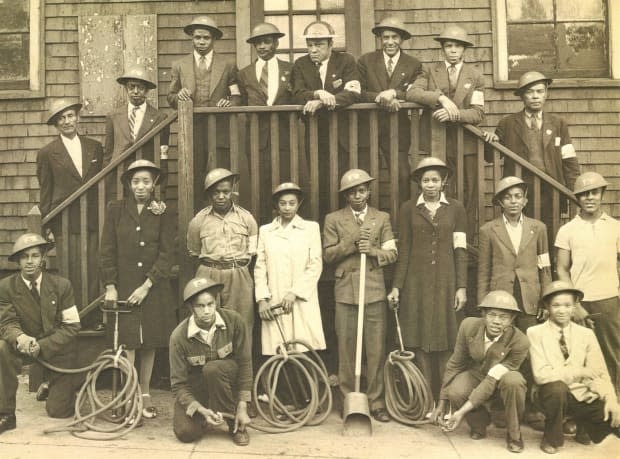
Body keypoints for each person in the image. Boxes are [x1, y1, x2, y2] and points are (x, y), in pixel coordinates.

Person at [99, 160, 176, 419]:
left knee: (150, 340)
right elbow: (107, 250)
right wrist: (110, 285)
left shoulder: (163, 212)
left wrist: (147, 285)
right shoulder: (116, 210)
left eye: (146, 181)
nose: (140, 187)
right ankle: (128, 392)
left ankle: (145, 392)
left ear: (154, 184)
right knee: (128, 341)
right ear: (128, 185)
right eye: (135, 182)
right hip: (124, 286)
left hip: (153, 287)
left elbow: (167, 253)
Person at [388, 157, 467, 398]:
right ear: (419, 183)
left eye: (435, 180)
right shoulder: (408, 209)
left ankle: (445, 398)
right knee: (419, 338)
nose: (430, 185)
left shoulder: (456, 208)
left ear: (443, 182)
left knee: (446, 340)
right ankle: (423, 400)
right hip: (416, 283)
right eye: (425, 180)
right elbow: (404, 252)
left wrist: (461, 287)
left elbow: (460, 249)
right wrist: (396, 287)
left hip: (446, 282)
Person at [323, 169, 397, 423]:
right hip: (345, 292)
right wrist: (352, 242)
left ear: (369, 192)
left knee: (375, 349)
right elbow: (329, 255)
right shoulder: (333, 219)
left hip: (374, 290)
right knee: (346, 347)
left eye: (362, 190)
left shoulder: (381, 218)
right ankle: (348, 399)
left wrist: (373, 251)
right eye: (352, 192)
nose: (358, 195)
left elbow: (392, 253)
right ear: (346, 195)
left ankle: (375, 401)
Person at [0, 233, 82, 434]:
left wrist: (42, 346)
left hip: (56, 348)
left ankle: (54, 385)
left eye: (35, 256)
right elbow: (6, 322)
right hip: (23, 345)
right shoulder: (5, 287)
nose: (30, 262)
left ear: (43, 258)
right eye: (24, 257)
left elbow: (71, 326)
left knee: (59, 411)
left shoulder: (62, 285)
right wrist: (20, 337)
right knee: (1, 347)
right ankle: (6, 413)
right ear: (18, 262)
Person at [406, 25, 484, 234]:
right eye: (448, 46)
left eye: (457, 46)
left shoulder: (475, 76)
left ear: (464, 50)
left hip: (466, 143)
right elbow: (412, 93)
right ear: (442, 48)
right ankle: (436, 233)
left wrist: (453, 113)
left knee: (468, 191)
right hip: (435, 141)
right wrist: (440, 98)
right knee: (437, 186)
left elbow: (478, 113)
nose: (452, 50)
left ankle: (465, 238)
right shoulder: (430, 71)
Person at [483, 71, 580, 239]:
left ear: (546, 94)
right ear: (521, 96)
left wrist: (576, 191)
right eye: (530, 92)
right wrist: (491, 142)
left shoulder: (558, 124)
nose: (535, 96)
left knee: (549, 235)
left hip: (551, 191)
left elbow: (569, 160)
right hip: (520, 192)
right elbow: (491, 157)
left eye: (540, 91)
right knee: (521, 236)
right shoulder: (507, 123)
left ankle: (546, 265)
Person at [528, 281, 620, 454]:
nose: (562, 310)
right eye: (556, 305)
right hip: (550, 394)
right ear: (547, 306)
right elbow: (541, 375)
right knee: (557, 389)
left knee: (613, 424)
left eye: (567, 305)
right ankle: (551, 436)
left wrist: (610, 398)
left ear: (574, 307)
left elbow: (599, 372)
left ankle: (582, 426)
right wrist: (578, 371)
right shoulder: (535, 333)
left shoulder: (586, 334)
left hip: (582, 394)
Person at [432, 290, 529, 453]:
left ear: (512, 319)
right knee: (455, 391)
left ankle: (514, 434)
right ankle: (479, 424)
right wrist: (442, 402)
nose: (497, 321)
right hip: (477, 373)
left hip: (502, 379)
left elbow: (492, 379)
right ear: (483, 314)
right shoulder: (468, 326)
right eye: (492, 315)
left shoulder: (520, 341)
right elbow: (455, 364)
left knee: (514, 382)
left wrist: (460, 413)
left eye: (504, 317)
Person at [36, 98, 103, 326]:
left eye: (70, 116)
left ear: (77, 117)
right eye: (61, 118)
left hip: (93, 219)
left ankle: (93, 316)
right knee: (70, 270)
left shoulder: (95, 147)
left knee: (93, 268)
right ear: (56, 124)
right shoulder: (47, 153)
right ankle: (72, 319)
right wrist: (46, 226)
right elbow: (46, 191)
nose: (67, 121)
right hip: (65, 221)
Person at [555, 172, 620, 397]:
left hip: (610, 301)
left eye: (594, 192)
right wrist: (574, 304)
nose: (590, 198)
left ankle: (613, 410)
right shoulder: (567, 230)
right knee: (579, 357)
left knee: (612, 356)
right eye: (584, 194)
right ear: (577, 199)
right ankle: (584, 418)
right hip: (581, 303)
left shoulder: (615, 227)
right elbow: (562, 269)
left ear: (602, 194)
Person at [167, 16, 241, 209]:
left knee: (220, 172)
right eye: (197, 37)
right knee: (194, 173)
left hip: (220, 129)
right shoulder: (179, 65)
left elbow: (237, 96)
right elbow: (171, 97)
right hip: (192, 129)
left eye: (206, 38)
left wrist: (229, 102)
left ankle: (224, 213)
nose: (201, 42)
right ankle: (197, 216)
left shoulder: (228, 65)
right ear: (192, 38)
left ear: (214, 39)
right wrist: (180, 95)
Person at [170, 277, 252, 445]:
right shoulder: (178, 337)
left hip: (227, 384)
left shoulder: (234, 321)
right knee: (185, 433)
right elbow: (178, 385)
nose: (207, 311)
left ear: (216, 302)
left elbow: (245, 364)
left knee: (213, 369)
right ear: (191, 308)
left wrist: (243, 405)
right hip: (199, 389)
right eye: (200, 306)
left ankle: (234, 423)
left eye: (210, 304)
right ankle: (208, 415)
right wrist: (198, 408)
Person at [291, 20, 360, 216]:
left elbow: (354, 92)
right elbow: (297, 93)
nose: (313, 50)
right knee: (319, 181)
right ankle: (324, 227)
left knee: (345, 180)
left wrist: (324, 102)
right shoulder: (301, 64)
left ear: (331, 45)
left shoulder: (346, 61)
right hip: (315, 135)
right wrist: (318, 93)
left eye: (319, 45)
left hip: (344, 134)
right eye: (310, 45)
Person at [187, 168, 258, 344]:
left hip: (238, 274)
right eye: (216, 192)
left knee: (242, 323)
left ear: (231, 192)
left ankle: (243, 369)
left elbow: (253, 250)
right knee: (207, 322)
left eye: (225, 192)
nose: (221, 196)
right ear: (209, 194)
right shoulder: (199, 221)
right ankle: (213, 368)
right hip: (209, 273)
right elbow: (194, 251)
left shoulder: (247, 218)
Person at [254, 182, 325, 355]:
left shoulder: (310, 228)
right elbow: (260, 267)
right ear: (276, 205)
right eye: (282, 203)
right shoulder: (266, 231)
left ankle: (309, 380)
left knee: (304, 348)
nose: (287, 208)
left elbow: (315, 264)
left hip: (301, 299)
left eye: (292, 203)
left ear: (298, 204)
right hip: (275, 298)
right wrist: (262, 299)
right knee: (279, 352)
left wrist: (295, 292)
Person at [357, 16, 422, 201]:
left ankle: (402, 221)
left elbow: (415, 91)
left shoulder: (413, 64)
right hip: (367, 126)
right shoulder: (366, 61)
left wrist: (394, 93)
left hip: (398, 128)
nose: (390, 42)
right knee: (364, 175)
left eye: (394, 37)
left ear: (401, 39)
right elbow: (358, 91)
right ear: (380, 39)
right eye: (386, 37)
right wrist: (380, 97)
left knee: (402, 175)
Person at [238, 23, 293, 223]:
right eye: (258, 43)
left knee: (284, 183)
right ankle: (262, 227)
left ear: (276, 43)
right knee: (259, 186)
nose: (262, 46)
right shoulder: (244, 73)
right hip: (256, 139)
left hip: (284, 137)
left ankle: (285, 226)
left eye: (267, 42)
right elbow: (241, 101)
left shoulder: (290, 69)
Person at [104, 65, 170, 165]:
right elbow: (108, 154)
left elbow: (163, 154)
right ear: (126, 88)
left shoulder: (160, 118)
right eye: (131, 87)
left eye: (140, 87)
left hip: (146, 173)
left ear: (147, 90)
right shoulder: (113, 116)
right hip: (119, 173)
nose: (135, 91)